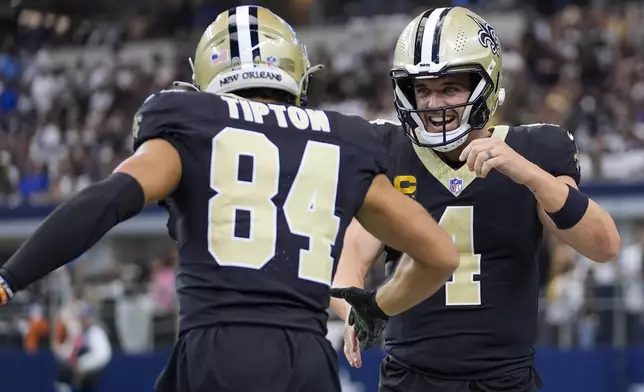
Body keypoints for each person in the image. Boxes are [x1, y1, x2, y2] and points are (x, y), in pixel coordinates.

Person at [0, 6, 460, 392]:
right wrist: (376, 306)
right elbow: (439, 255)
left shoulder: (192, 123)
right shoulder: (343, 140)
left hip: (219, 351)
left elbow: (108, 200)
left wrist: (10, 278)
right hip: (308, 360)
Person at [329, 6, 621, 392]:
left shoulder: (536, 148)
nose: (435, 104)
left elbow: (604, 245)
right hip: (410, 378)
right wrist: (355, 312)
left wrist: (529, 173)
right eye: (423, 89)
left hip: (506, 378)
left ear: (486, 83)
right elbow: (351, 255)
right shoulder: (388, 150)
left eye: (450, 87)